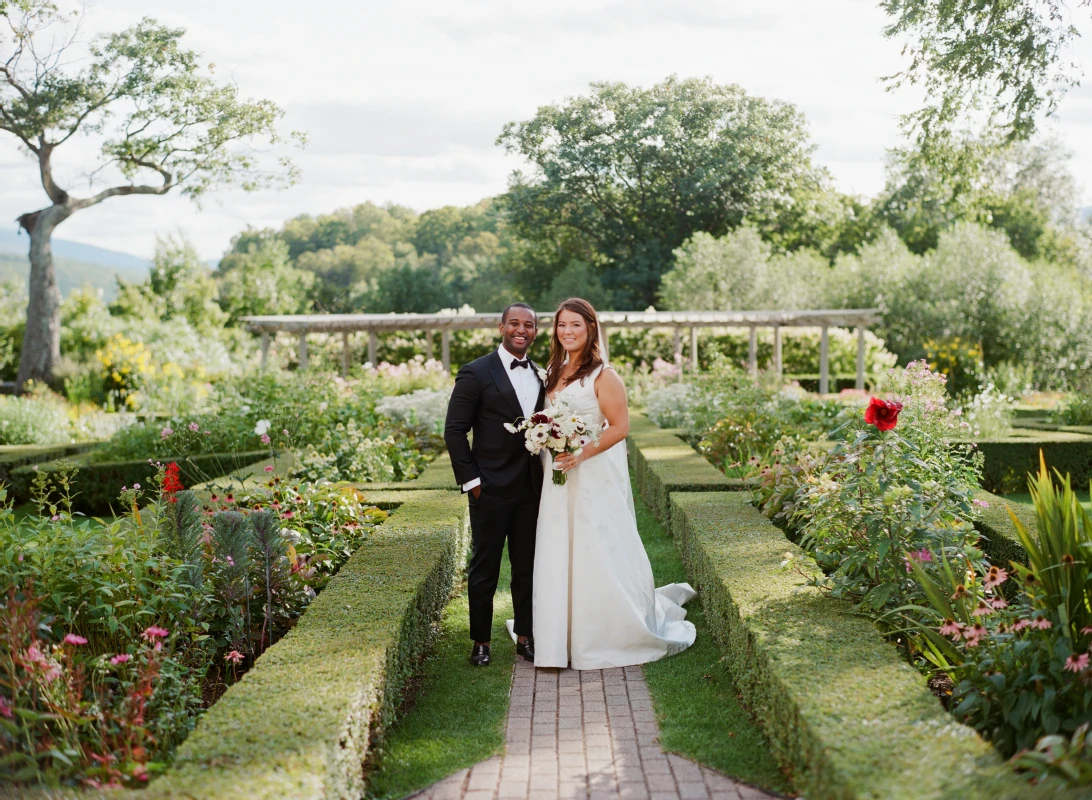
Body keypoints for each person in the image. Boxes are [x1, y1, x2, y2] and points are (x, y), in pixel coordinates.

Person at [531, 297, 696, 669]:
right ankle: (558, 633)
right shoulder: (553, 370)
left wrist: (581, 453)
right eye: (561, 325)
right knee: (559, 543)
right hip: (557, 472)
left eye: (576, 325)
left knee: (596, 543)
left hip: (590, 473)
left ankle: (602, 632)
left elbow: (620, 427)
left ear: (590, 329)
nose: (567, 331)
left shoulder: (603, 375)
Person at [444, 302, 545, 667]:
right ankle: (481, 642)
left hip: (531, 489)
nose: (522, 330)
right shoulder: (475, 372)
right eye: (515, 323)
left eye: (529, 325)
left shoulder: (540, 374)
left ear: (535, 331)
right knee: (484, 568)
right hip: (488, 488)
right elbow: (455, 431)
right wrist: (473, 482)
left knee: (527, 566)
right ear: (502, 327)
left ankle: (526, 637)